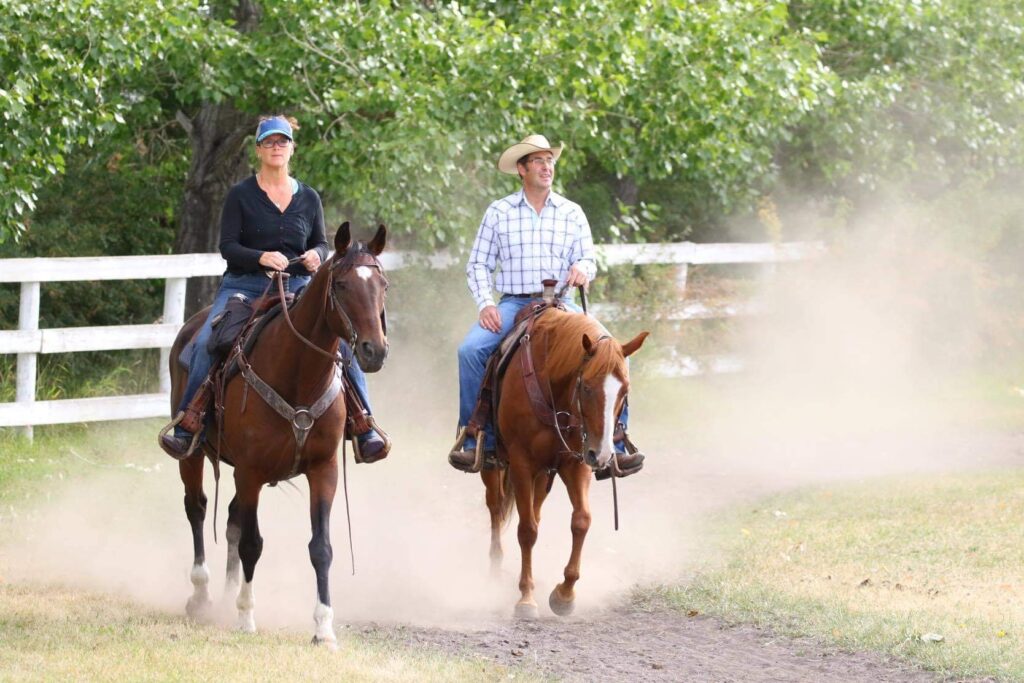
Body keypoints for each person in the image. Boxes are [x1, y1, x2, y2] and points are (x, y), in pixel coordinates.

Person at [159, 114, 388, 461]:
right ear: (259, 149)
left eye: (282, 142)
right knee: (207, 341)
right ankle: (188, 423)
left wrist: (315, 255)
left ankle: (364, 424)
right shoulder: (240, 195)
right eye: (269, 142)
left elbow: (322, 244)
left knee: (343, 344)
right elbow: (228, 247)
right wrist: (262, 257)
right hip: (245, 285)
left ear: (292, 149)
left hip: (299, 286)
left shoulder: (308, 197)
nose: (276, 147)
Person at [447, 134, 644, 479]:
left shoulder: (572, 212)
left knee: (615, 353)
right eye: (538, 161)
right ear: (521, 169)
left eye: (549, 161)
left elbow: (588, 258)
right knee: (470, 350)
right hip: (514, 303)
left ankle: (617, 438)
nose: (546, 167)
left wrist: (583, 268)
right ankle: (477, 436)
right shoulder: (499, 212)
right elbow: (477, 264)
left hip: (562, 305)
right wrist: (485, 304)